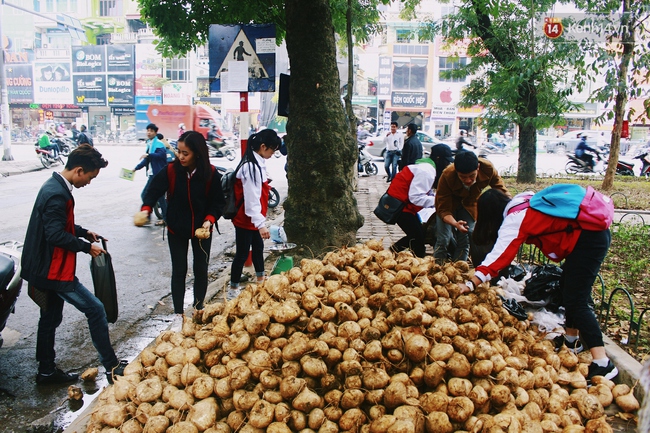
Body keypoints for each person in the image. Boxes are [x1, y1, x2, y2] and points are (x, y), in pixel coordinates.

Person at [460, 188, 618, 383]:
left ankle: (603, 363)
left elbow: (500, 255)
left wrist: (472, 282)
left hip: (588, 241)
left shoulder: (514, 219)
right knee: (567, 287)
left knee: (577, 301)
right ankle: (571, 342)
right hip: (586, 237)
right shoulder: (522, 199)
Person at [21, 145, 127, 384]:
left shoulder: (54, 186)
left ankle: (46, 371)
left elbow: (58, 226)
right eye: (90, 177)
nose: (89, 183)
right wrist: (86, 247)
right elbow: (55, 235)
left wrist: (82, 232)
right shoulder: (58, 194)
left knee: (49, 318)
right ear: (79, 170)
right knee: (95, 309)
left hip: (42, 266)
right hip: (52, 269)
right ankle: (111, 366)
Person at [139, 131, 225, 314]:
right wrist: (146, 208)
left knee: (201, 269)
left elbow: (218, 202)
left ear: (198, 153)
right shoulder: (171, 170)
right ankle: (178, 313)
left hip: (202, 229)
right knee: (179, 270)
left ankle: (198, 308)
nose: (180, 156)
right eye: (179, 152)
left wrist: (210, 219)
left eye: (185, 153)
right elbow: (153, 190)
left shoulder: (210, 173)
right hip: (176, 229)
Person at [229, 129, 282, 295]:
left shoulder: (256, 162)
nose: (273, 153)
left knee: (258, 249)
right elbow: (251, 198)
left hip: (253, 218)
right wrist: (261, 225)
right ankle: (233, 289)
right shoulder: (250, 167)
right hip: (246, 219)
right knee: (242, 254)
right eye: (272, 149)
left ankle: (261, 281)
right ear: (263, 146)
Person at [434, 151, 509, 265]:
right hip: (449, 205)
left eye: (472, 176)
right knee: (443, 238)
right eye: (463, 177)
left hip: (469, 204)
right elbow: (443, 209)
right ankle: (437, 267)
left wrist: (513, 207)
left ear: (478, 167)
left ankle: (459, 268)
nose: (468, 180)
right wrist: (455, 224)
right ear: (456, 172)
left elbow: (502, 191)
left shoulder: (488, 169)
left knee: (466, 236)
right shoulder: (447, 175)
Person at [385, 159, 436, 258]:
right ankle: (394, 253)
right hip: (401, 207)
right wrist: (436, 201)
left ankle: (392, 252)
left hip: (405, 206)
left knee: (418, 235)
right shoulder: (425, 172)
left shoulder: (420, 169)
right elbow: (415, 197)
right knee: (417, 237)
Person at [134, 123, 168, 225]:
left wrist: (149, 155)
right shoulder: (150, 144)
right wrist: (136, 168)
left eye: (151, 131)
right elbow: (147, 160)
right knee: (159, 198)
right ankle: (160, 217)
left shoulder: (159, 144)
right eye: (148, 130)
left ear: (155, 132)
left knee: (146, 195)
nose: (149, 132)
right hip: (152, 174)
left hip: (158, 175)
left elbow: (161, 155)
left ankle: (147, 216)